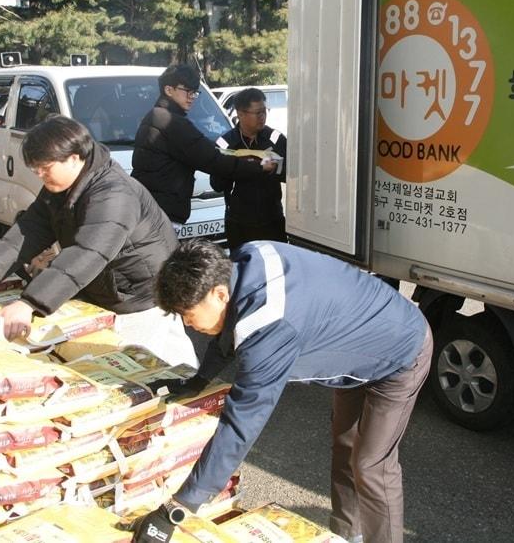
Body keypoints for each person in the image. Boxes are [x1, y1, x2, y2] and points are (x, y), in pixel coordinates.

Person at [131, 240, 433, 543]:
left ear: (218, 293)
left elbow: (240, 425)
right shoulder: (242, 263)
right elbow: (231, 328)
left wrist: (179, 507)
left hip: (400, 350)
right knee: (346, 446)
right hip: (357, 343)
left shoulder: (270, 329)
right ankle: (347, 535)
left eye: (188, 313)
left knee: (371, 464)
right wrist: (198, 381)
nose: (187, 323)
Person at [0, 116, 185, 354]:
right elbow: (32, 227)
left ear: (74, 158)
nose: (40, 176)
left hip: (141, 296)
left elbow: (87, 252)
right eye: (36, 169)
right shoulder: (63, 185)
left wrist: (29, 303)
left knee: (149, 365)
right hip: (110, 288)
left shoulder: (114, 193)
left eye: (45, 168)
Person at [132, 64, 276, 226]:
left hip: (150, 209)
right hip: (162, 214)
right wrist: (259, 167)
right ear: (168, 90)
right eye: (187, 91)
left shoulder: (154, 116)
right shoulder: (171, 122)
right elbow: (212, 159)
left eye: (194, 92)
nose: (192, 97)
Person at [210, 87, 287, 248]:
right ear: (240, 114)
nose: (262, 117)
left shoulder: (275, 139)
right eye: (257, 113)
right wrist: (239, 166)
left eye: (264, 111)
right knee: (243, 268)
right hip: (239, 221)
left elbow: (289, 174)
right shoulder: (225, 143)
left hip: (272, 218)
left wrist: (275, 168)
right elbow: (216, 184)